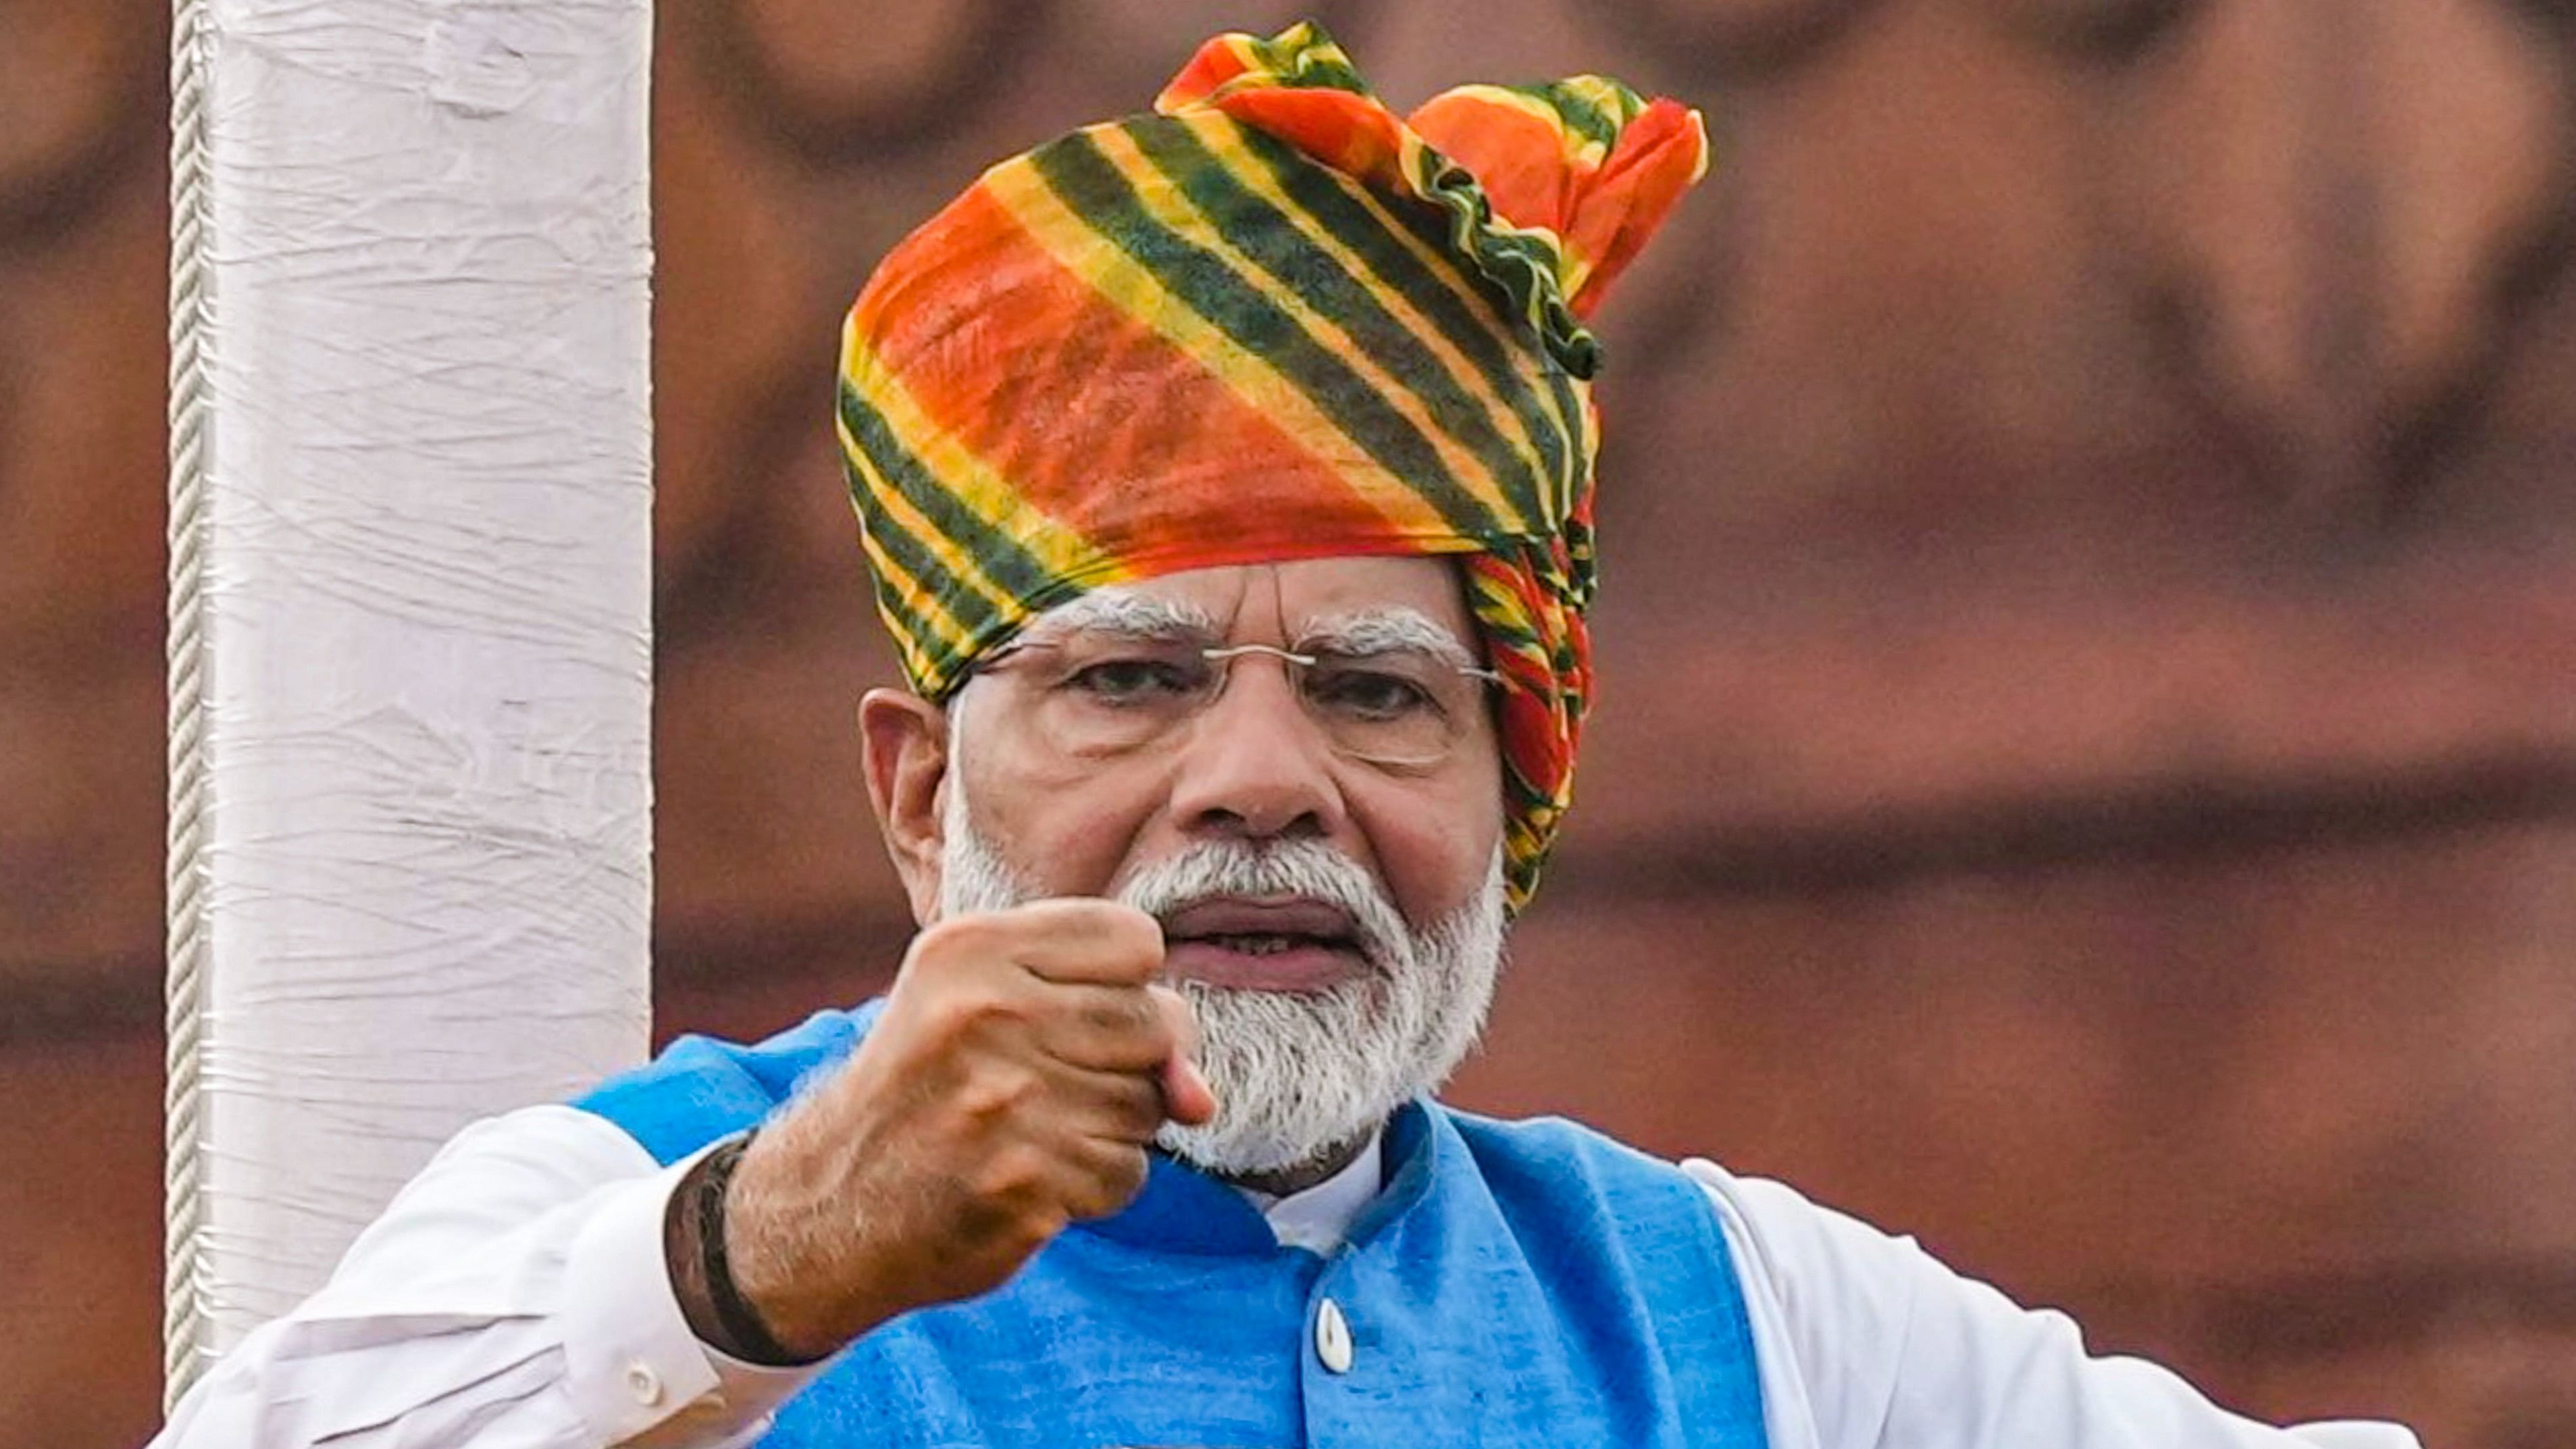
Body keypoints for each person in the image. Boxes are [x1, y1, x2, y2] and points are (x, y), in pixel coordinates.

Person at [151, 23, 2420, 1449]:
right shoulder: (638, 1202)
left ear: (1509, 797)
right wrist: (769, 1260)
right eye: (1131, 675)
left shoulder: (1727, 1323)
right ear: (922, 794)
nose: (1261, 776)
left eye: (1373, 691)